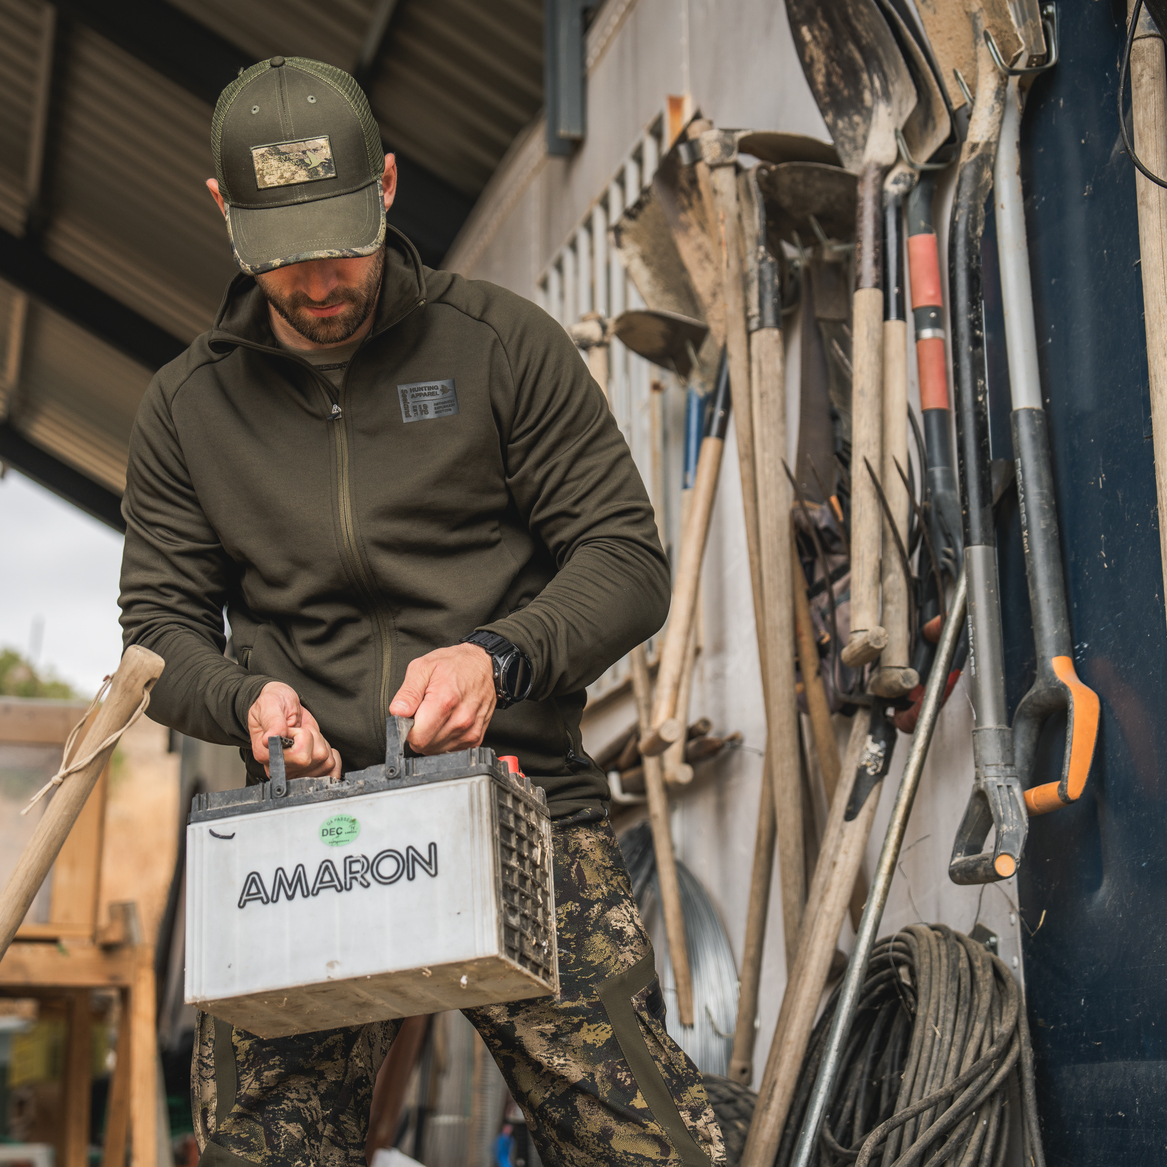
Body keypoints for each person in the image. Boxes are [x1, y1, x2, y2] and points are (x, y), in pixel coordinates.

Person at [119, 56, 725, 1167]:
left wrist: (499, 657)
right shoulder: (186, 410)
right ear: (224, 213)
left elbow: (626, 560)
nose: (318, 282)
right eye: (285, 253)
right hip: (302, 840)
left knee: (653, 1146)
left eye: (340, 243)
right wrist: (248, 702)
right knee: (261, 1153)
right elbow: (158, 632)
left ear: (388, 185)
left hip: (520, 805)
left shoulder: (501, 346)